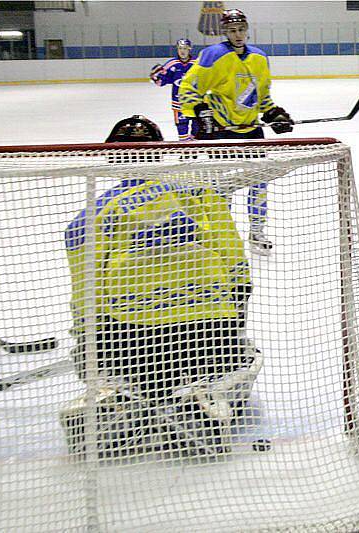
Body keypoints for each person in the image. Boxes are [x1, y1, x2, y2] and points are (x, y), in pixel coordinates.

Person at [60, 115, 263, 459]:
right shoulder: (200, 191)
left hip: (129, 338)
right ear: (159, 153)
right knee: (243, 354)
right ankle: (205, 392)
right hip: (208, 330)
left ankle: (115, 395)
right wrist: (237, 304)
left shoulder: (92, 214)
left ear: (110, 155)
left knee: (99, 358)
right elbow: (232, 255)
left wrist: (85, 338)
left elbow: (86, 290)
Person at [179, 8, 293, 256]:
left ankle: (257, 231)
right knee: (221, 187)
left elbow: (262, 97)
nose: (238, 35)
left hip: (252, 132)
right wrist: (200, 110)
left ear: (247, 30)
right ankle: (222, 233)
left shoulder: (259, 58)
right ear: (224, 32)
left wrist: (274, 114)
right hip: (222, 133)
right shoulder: (213, 56)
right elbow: (188, 88)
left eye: (241, 29)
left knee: (259, 183)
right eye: (232, 30)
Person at [150, 39, 198, 141]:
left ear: (190, 49)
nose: (182, 51)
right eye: (180, 48)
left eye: (185, 48)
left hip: (195, 102)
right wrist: (155, 77)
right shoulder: (172, 64)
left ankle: (193, 149)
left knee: (197, 127)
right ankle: (185, 150)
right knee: (181, 126)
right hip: (178, 102)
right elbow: (162, 81)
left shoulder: (197, 63)